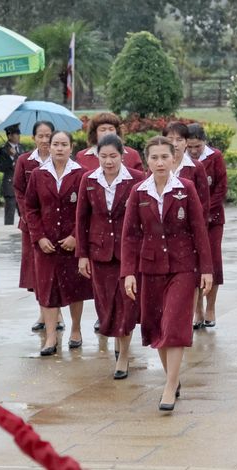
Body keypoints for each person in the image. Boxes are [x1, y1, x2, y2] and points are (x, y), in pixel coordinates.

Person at [121, 136, 213, 411]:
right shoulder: (139, 192)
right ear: (147, 161)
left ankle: (170, 385)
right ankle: (172, 377)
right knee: (157, 327)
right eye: (154, 157)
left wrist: (206, 269)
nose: (160, 162)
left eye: (165, 157)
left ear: (174, 159)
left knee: (174, 325)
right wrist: (128, 272)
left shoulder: (186, 188)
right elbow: (130, 236)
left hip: (183, 266)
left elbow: (199, 230)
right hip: (150, 267)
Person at [76, 134, 144, 379]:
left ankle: (123, 355)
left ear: (122, 155)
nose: (108, 161)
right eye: (103, 156)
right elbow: (82, 219)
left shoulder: (137, 179)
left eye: (113, 156)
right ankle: (117, 339)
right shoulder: (89, 180)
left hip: (128, 253)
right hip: (99, 252)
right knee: (106, 305)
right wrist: (82, 255)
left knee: (127, 303)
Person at [25, 130, 93, 356]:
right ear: (49, 147)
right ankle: (51, 336)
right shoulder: (38, 174)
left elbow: (86, 210)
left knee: (75, 288)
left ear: (71, 147)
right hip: (46, 244)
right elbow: (31, 208)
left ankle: (76, 329)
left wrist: (76, 236)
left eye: (64, 144)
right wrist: (39, 237)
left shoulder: (81, 174)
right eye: (56, 144)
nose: (59, 148)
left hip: (71, 243)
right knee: (47, 289)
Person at [13, 121, 63, 333]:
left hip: (56, 224)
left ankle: (57, 314)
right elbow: (19, 191)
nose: (44, 140)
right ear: (33, 138)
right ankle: (44, 313)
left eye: (48, 136)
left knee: (58, 270)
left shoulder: (60, 160)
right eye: (40, 136)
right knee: (36, 272)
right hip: (31, 226)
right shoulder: (25, 161)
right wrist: (29, 218)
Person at [161, 122, 210, 330]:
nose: (175, 144)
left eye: (179, 139)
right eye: (170, 139)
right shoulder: (157, 165)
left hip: (188, 234)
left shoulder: (195, 168)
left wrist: (197, 231)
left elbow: (204, 203)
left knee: (191, 275)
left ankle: (191, 316)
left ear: (186, 142)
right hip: (163, 235)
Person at [186, 123, 227, 328]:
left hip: (212, 219)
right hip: (187, 221)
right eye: (190, 146)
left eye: (198, 146)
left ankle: (211, 307)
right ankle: (198, 310)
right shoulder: (181, 160)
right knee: (192, 263)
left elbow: (221, 187)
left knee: (212, 262)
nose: (194, 151)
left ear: (204, 142)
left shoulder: (215, 157)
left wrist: (204, 210)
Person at [75, 112, 144, 171]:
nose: (107, 133)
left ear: (117, 132)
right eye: (103, 130)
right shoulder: (82, 156)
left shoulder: (132, 155)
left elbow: (140, 180)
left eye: (111, 129)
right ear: (95, 133)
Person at [0, 124, 24, 226]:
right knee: (10, 212)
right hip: (10, 184)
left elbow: (24, 164)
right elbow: (1, 167)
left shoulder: (21, 147)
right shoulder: (2, 150)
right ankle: (8, 232)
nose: (19, 136)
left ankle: (26, 231)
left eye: (19, 134)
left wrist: (16, 156)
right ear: (9, 136)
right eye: (16, 134)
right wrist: (11, 158)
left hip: (22, 185)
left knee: (24, 212)